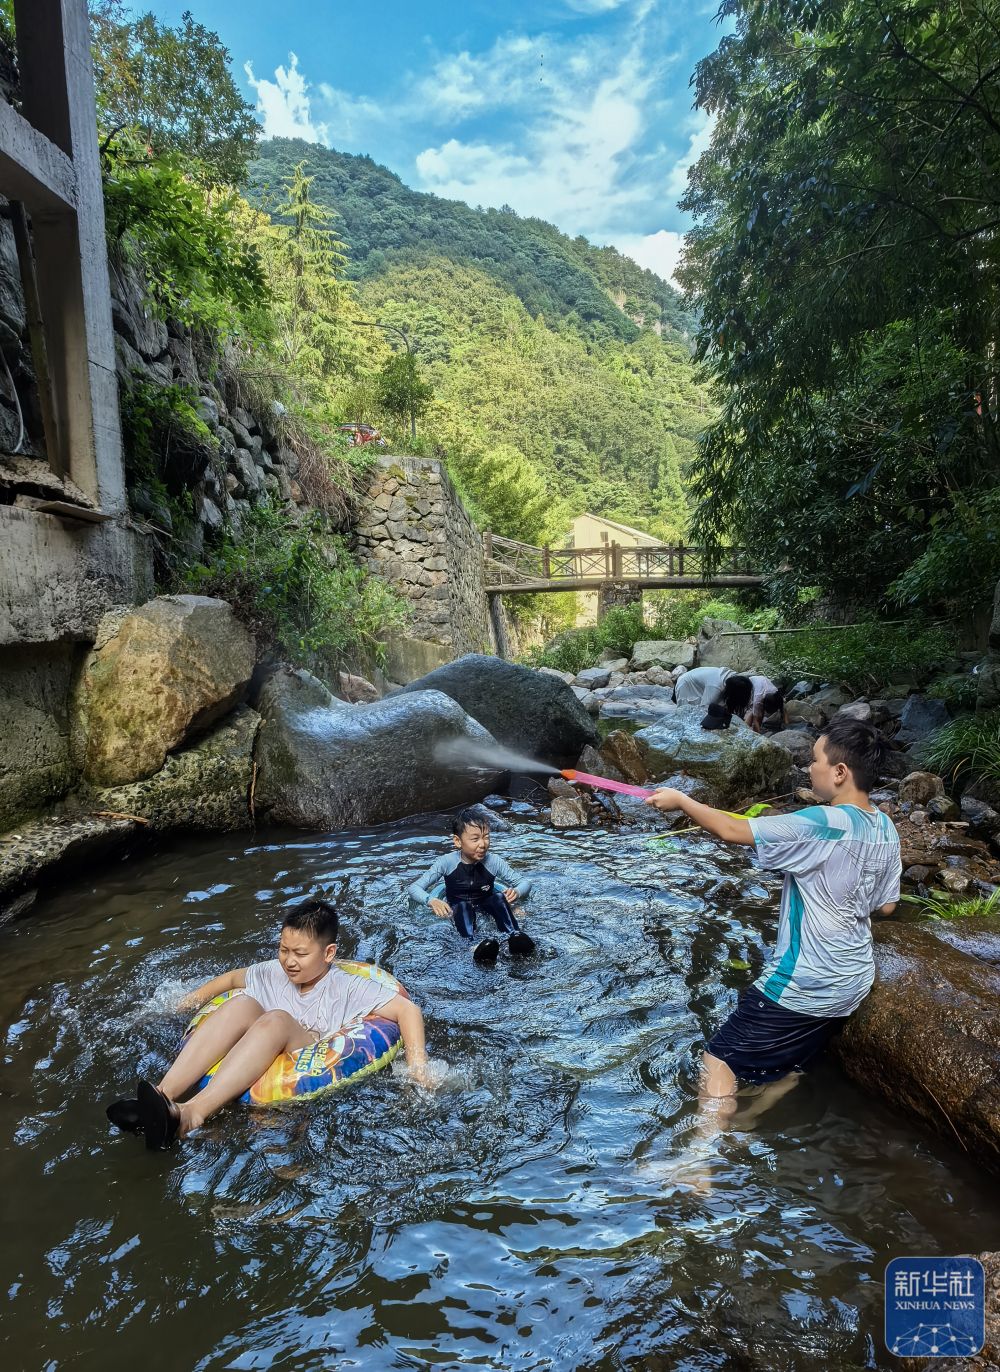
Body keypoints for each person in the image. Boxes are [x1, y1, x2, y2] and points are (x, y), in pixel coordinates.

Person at [646, 717, 900, 1122]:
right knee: (788, 1065)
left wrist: (682, 801)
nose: (808, 768)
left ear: (839, 772)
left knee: (718, 1060)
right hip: (852, 981)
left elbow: (733, 829)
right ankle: (746, 1124)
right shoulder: (886, 827)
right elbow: (886, 907)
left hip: (806, 983)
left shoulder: (824, 822)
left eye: (814, 760)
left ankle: (700, 1161)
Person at [106, 898, 429, 1149]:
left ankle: (192, 1114)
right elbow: (233, 978)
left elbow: (407, 1011)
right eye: (283, 949)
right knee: (242, 1002)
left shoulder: (348, 986)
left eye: (300, 953)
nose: (289, 960)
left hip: (307, 1051)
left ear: (328, 953)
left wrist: (417, 1070)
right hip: (264, 1041)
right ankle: (163, 1096)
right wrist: (185, 1003)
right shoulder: (272, 973)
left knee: (274, 1019)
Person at [409, 808, 537, 965]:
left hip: (486, 902)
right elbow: (414, 888)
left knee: (498, 898)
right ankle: (471, 946)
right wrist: (432, 900)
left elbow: (525, 883)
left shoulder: (494, 861)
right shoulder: (446, 862)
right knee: (463, 907)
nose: (483, 844)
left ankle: (514, 937)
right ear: (458, 841)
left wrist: (516, 892)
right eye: (475, 839)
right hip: (459, 907)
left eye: (486, 837)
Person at [674, 667, 753, 723]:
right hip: (686, 683)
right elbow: (704, 709)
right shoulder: (715, 687)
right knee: (687, 713)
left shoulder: (735, 678)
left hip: (701, 681)